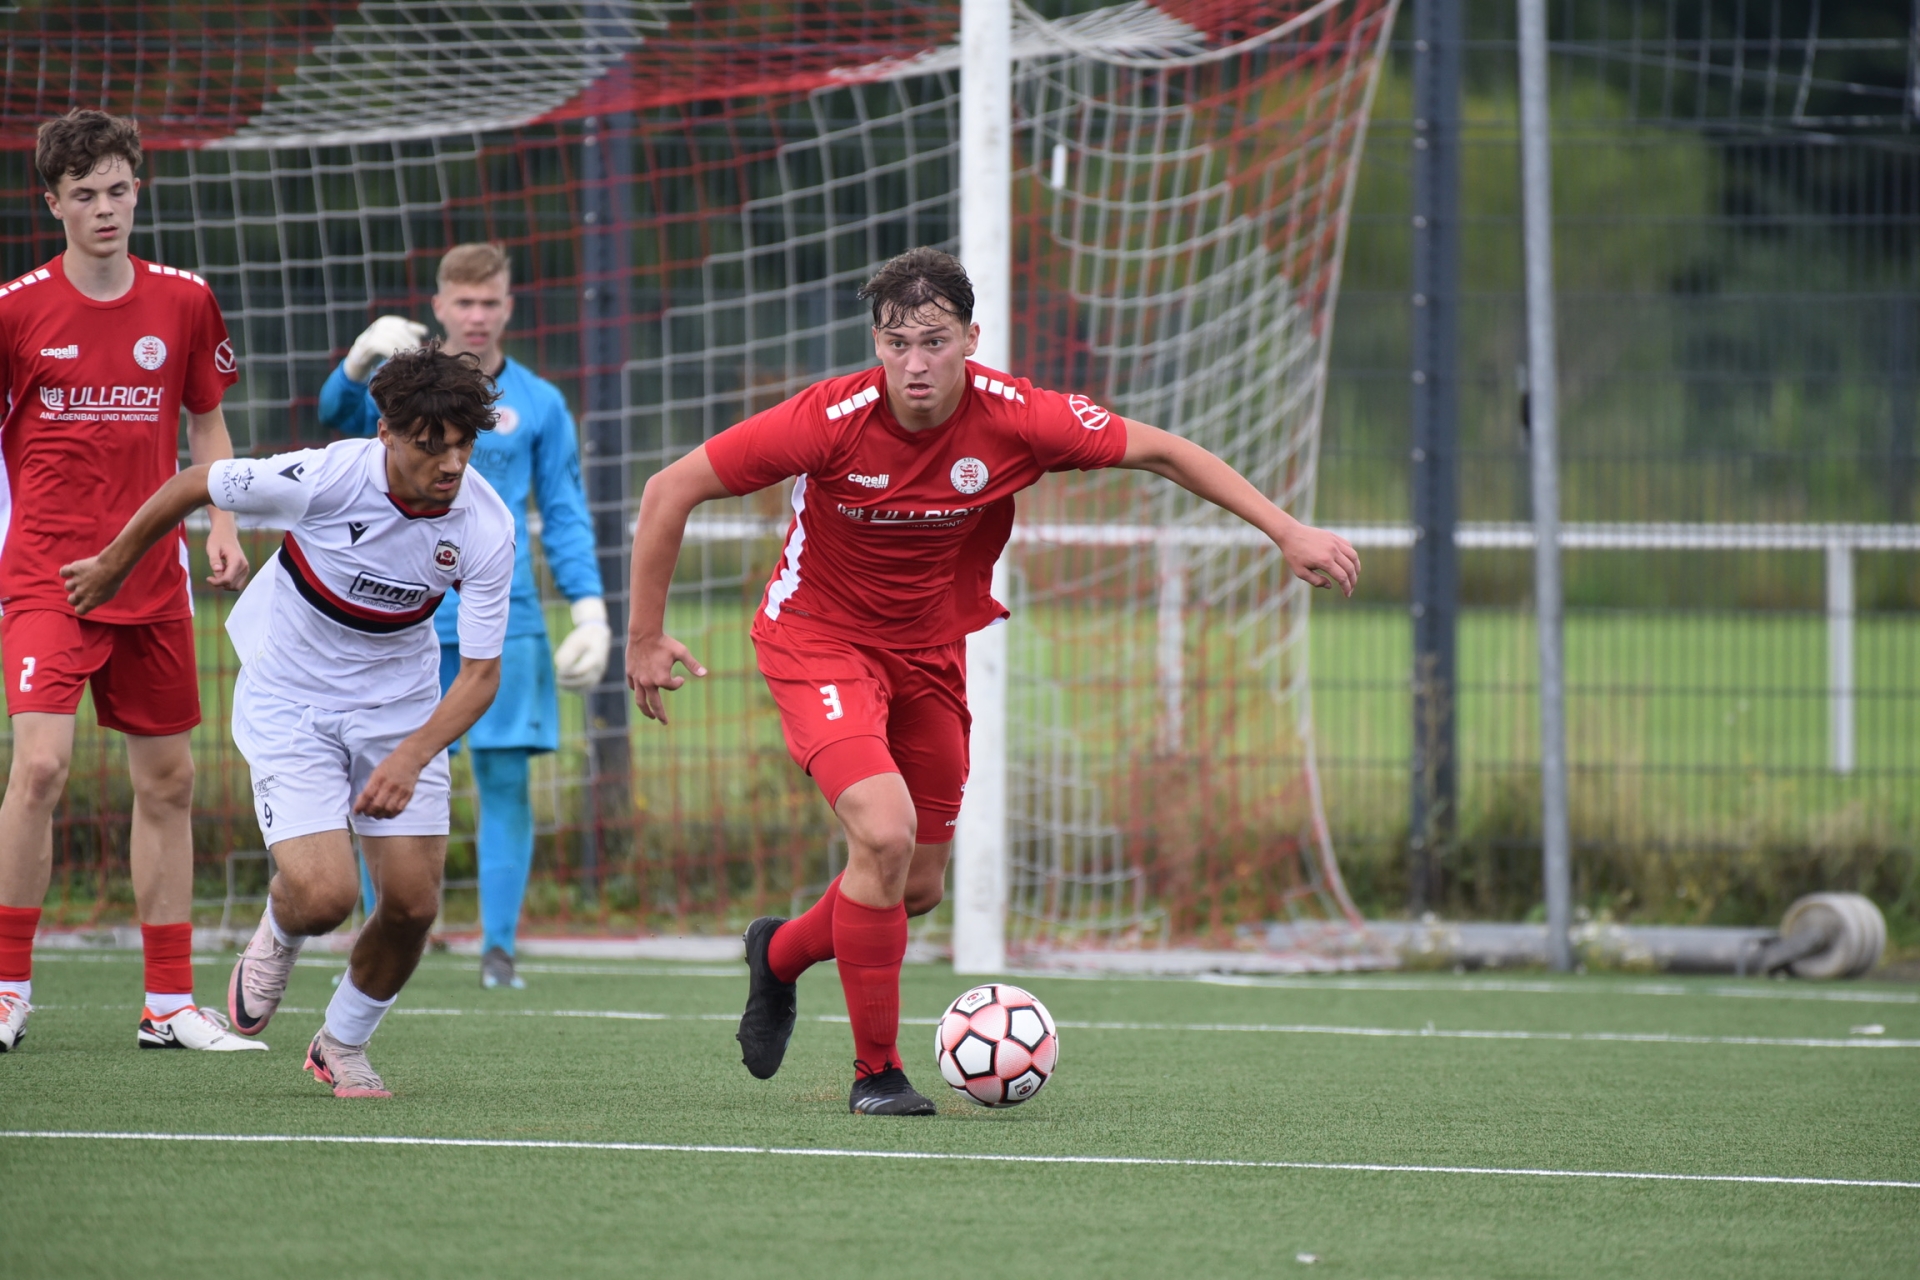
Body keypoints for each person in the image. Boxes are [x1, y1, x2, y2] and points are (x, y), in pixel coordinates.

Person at [626, 248, 1361, 1115]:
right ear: (877, 344)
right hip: (818, 643)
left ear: (972, 339)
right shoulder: (829, 419)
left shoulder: (1020, 417)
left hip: (932, 653)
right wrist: (645, 636)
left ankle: (778, 954)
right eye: (897, 343)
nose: (915, 363)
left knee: (916, 886)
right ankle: (876, 1075)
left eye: (935, 341)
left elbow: (1164, 453)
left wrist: (1285, 530)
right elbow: (669, 489)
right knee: (884, 834)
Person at [61, 344, 516, 1097]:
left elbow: (480, 675)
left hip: (397, 709)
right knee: (324, 897)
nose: (452, 463)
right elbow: (193, 481)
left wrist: (409, 754)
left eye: (464, 445)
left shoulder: (486, 525)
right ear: (385, 433)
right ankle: (280, 925)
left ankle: (341, 1043)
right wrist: (114, 565)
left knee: (411, 906)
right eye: (430, 445)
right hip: (289, 695)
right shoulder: (327, 476)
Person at [0, 109, 258, 1054]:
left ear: (138, 190)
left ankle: (168, 1004)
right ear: (53, 204)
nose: (105, 209)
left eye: (118, 190)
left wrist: (222, 521)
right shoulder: (14, 310)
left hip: (153, 577)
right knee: (40, 767)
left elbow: (207, 422)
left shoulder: (186, 301)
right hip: (47, 576)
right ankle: (6, 987)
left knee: (171, 782)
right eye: (85, 195)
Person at [318, 243, 606, 990]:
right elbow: (336, 420)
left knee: (503, 780)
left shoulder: (540, 403)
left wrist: (590, 610)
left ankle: (498, 948)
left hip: (505, 618)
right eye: (464, 302)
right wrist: (354, 365)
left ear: (508, 307)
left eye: (490, 302)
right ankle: (382, 940)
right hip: (398, 614)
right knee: (382, 774)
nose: (477, 316)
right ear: (439, 306)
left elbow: (564, 511)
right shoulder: (401, 388)